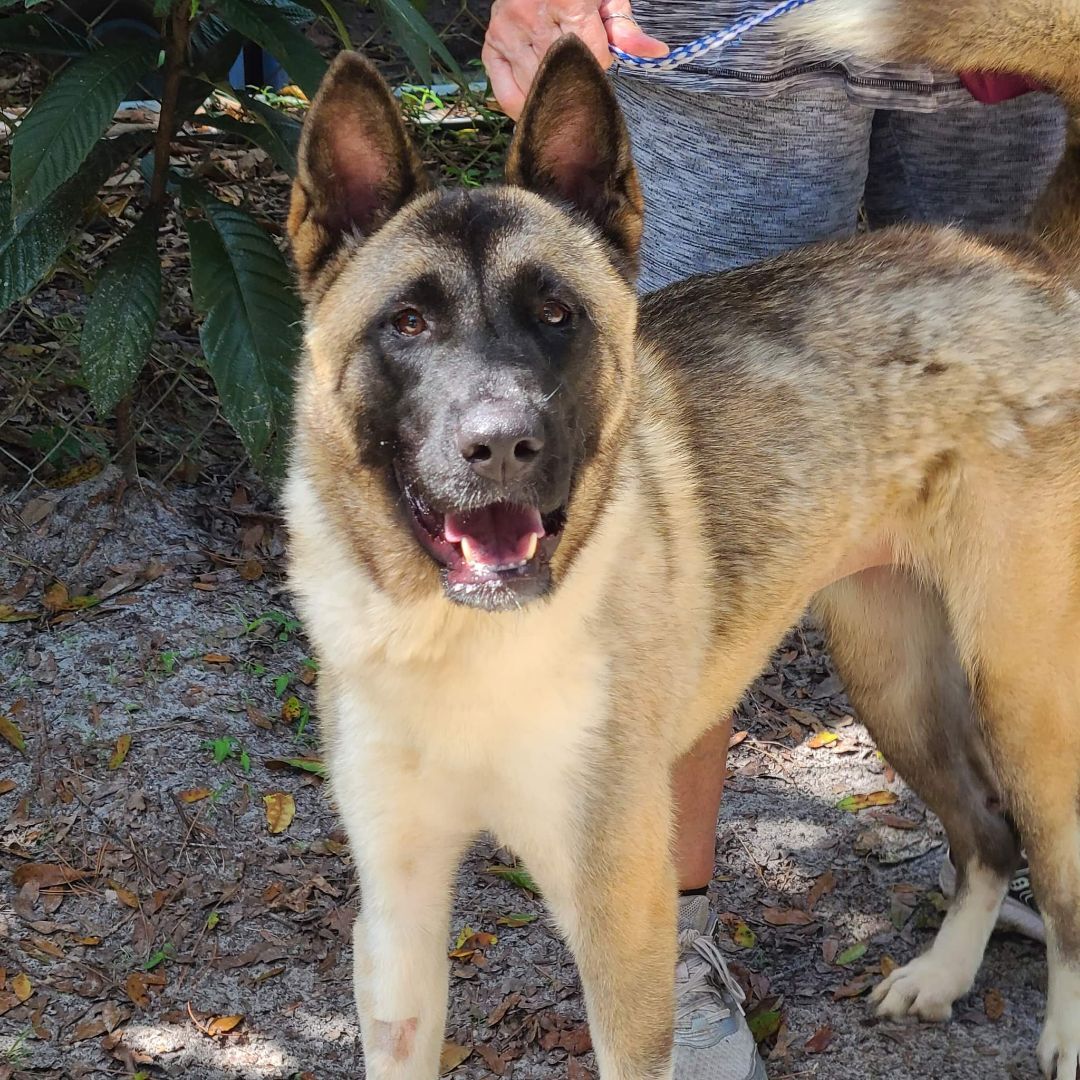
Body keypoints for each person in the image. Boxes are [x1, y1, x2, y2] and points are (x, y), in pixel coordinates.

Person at [483, 3, 1068, 1078]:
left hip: (987, 66)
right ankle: (669, 951)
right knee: (675, 514)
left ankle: (1020, 859)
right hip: (718, 47)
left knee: (1003, 506)